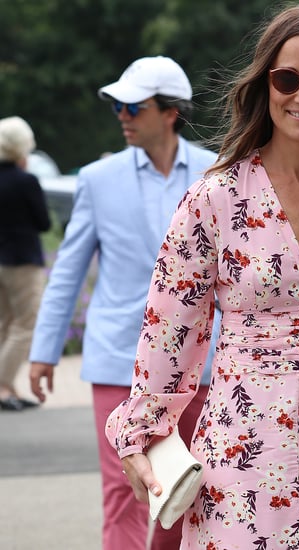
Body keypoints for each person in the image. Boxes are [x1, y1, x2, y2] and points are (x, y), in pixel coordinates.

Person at [106, 6, 299, 549]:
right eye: (288, 79)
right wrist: (142, 434)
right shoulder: (216, 196)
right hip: (240, 443)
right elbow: (170, 327)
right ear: (265, 84)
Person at [28, 56, 219, 550]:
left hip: (199, 363)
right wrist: (44, 351)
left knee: (186, 489)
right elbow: (68, 269)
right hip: (118, 360)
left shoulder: (219, 172)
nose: (121, 115)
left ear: (170, 111)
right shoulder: (97, 178)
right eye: (117, 105)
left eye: (133, 105)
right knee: (124, 489)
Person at [0, 116, 51, 411]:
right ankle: (3, 385)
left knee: (4, 324)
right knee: (25, 325)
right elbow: (43, 223)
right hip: (22, 260)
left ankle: (8, 387)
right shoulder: (26, 181)